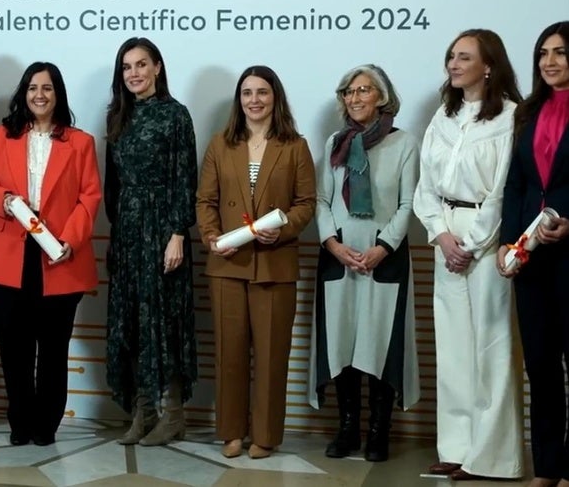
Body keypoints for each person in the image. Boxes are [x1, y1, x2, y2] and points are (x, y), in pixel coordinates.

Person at [413, 29, 523, 481]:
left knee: (491, 347)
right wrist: (441, 236)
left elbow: (503, 190)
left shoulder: (512, 117)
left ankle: (493, 455)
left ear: (489, 65)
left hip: (488, 238)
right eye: (451, 57)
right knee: (454, 348)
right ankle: (456, 448)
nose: (454, 65)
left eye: (464, 57)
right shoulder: (444, 115)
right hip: (446, 237)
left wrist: (473, 244)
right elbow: (426, 186)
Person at [0, 61, 101, 447]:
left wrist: (71, 240)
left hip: (59, 257)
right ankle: (20, 421)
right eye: (32, 88)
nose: (39, 95)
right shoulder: (3, 136)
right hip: (8, 258)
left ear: (58, 94)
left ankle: (46, 424)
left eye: (47, 88)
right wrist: (6, 199)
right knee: (13, 348)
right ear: (23, 94)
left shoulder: (81, 142)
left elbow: (90, 197)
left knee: (52, 349)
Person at [196, 65, 316, 459]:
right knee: (229, 353)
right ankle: (231, 432)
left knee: (270, 355)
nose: (254, 100)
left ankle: (264, 435)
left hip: (274, 263)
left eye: (262, 92)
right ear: (239, 100)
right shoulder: (220, 143)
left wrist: (281, 230)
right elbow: (205, 200)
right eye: (247, 93)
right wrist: (212, 237)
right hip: (228, 263)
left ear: (275, 97)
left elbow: (306, 204)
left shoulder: (294, 145)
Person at [307, 64, 420, 462]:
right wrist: (333, 245)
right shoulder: (334, 143)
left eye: (363, 90)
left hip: (382, 257)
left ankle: (378, 432)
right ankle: (348, 428)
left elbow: (409, 204)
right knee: (342, 344)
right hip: (340, 256)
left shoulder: (403, 143)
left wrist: (383, 246)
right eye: (348, 92)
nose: (354, 98)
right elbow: (322, 200)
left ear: (382, 98)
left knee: (378, 345)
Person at [104, 37, 198, 446]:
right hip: (127, 231)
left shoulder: (176, 115)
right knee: (132, 323)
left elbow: (185, 178)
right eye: (127, 67)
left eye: (141, 65)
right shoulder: (117, 117)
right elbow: (112, 186)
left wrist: (178, 233)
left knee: (166, 321)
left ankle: (173, 415)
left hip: (164, 231)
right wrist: (116, 234)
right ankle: (143, 413)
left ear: (158, 67)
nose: (134, 74)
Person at [498, 21, 569, 487]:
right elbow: (518, 184)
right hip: (531, 257)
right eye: (544, 52)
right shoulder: (527, 111)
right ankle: (547, 468)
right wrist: (509, 241)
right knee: (540, 365)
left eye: (561, 53)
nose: (549, 61)